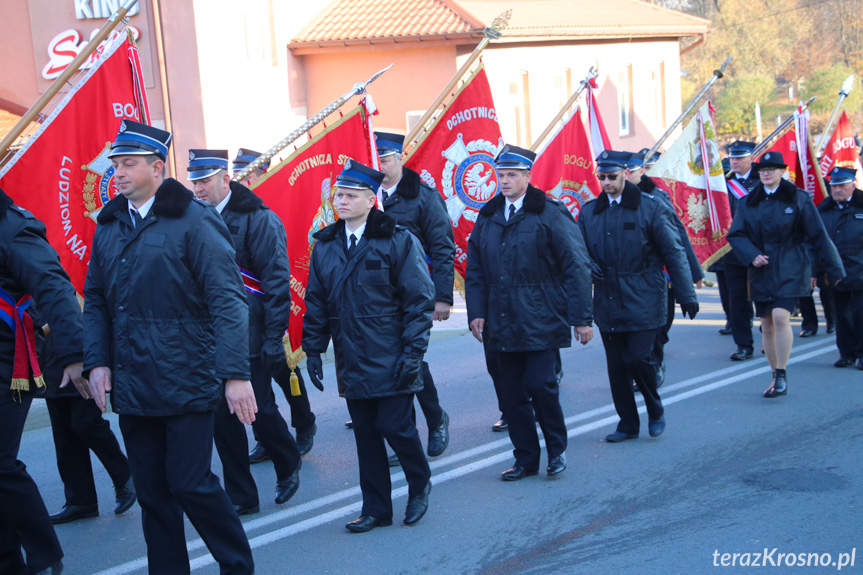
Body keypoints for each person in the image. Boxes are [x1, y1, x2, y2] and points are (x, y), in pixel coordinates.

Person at [83, 120, 256, 574]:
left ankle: (237, 566)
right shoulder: (110, 224)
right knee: (153, 491)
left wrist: (236, 375)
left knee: (190, 483)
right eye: (115, 164)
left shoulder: (195, 222)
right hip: (135, 383)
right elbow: (97, 300)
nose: (117, 173)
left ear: (158, 168)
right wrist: (98, 361)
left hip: (186, 377)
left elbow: (228, 300)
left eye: (128, 164)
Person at [303, 159, 434, 532]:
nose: (341, 201)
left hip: (391, 353)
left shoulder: (396, 239)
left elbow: (418, 301)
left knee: (396, 427)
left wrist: (413, 353)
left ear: (370, 200)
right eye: (338, 195)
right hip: (352, 355)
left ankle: (419, 483)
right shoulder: (326, 246)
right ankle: (376, 508)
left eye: (349, 195)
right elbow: (317, 301)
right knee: (365, 435)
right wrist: (313, 348)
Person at [466, 144, 593, 480]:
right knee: (511, 395)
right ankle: (525, 459)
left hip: (541, 315)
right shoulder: (489, 215)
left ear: (527, 176)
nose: (504, 181)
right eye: (500, 175)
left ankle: (556, 450)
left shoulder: (550, 212)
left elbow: (577, 265)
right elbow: (475, 268)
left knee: (541, 386)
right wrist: (476, 312)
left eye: (511, 175)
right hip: (500, 320)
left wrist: (581, 318)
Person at [188, 149, 302, 515]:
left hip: (251, 333)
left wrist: (272, 338)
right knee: (223, 419)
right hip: (209, 336)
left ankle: (288, 462)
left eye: (205, 180)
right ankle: (242, 496)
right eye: (195, 181)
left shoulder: (259, 218)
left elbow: (274, 281)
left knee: (261, 410)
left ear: (225, 179)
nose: (199, 188)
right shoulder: (194, 219)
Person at [577, 150, 699, 442]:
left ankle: (655, 409)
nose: (606, 182)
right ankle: (628, 423)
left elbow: (673, 251)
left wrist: (686, 294)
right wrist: (588, 267)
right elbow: (577, 252)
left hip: (645, 294)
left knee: (638, 357)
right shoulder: (589, 211)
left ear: (625, 174)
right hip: (607, 299)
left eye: (612, 176)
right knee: (617, 366)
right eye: (601, 177)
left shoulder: (650, 207)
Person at [0, 187, 89, 575]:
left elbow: (54, 285)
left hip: (7, 363)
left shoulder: (11, 226)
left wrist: (73, 354)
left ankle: (44, 553)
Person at [727, 151, 844, 398]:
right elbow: (736, 234)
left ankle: (781, 373)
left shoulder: (798, 198)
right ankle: (773, 374)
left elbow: (818, 235)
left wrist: (834, 268)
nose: (766, 173)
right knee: (767, 324)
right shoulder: (748, 202)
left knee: (781, 316)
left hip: (792, 264)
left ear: (782, 171)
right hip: (761, 268)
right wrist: (751, 255)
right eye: (762, 170)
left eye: (771, 169)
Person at [231, 147, 318, 461]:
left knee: (285, 374)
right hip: (242, 320)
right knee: (255, 386)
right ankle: (266, 438)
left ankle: (304, 423)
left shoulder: (265, 212)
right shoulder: (226, 212)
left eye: (248, 173)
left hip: (271, 314)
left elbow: (276, 274)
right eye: (237, 172)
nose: (242, 179)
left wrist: (274, 325)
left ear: (262, 174)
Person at [373, 132, 454, 461]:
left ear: (401, 156)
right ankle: (405, 434)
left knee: (411, 359)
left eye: (386, 158)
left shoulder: (422, 197)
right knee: (390, 364)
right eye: (375, 158)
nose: (381, 164)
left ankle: (435, 420)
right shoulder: (367, 195)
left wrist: (443, 296)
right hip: (378, 295)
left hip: (415, 293)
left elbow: (442, 246)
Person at [42, 326, 136, 524]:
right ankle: (80, 500)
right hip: (49, 352)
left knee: (85, 423)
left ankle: (125, 476)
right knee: (63, 430)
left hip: (81, 347)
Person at [627, 151, 703, 388]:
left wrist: (693, 272)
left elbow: (676, 236)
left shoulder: (656, 197)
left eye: (632, 170)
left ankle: (655, 364)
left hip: (657, 273)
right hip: (626, 276)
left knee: (659, 325)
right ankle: (641, 367)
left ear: (642, 171)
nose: (627, 175)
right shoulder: (610, 201)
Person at [816, 167, 863, 368]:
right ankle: (847, 353)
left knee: (860, 314)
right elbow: (815, 242)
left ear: (853, 185)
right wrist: (817, 271)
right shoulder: (824, 210)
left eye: (842, 185)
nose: (836, 189)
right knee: (842, 315)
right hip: (835, 271)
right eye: (834, 185)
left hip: (860, 270)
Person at [718, 141, 759, 360]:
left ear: (751, 158)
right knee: (738, 300)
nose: (734, 161)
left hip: (758, 248)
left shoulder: (761, 179)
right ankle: (744, 345)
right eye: (732, 158)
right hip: (733, 249)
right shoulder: (724, 183)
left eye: (740, 158)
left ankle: (769, 335)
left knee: (763, 296)